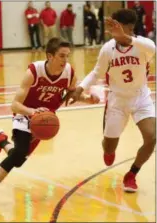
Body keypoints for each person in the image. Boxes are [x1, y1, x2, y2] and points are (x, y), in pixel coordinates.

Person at [0, 37, 99, 211]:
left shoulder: (69, 73)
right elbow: (14, 105)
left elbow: (71, 95)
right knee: (18, 154)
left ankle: (1, 141)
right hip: (25, 114)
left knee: (19, 159)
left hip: (44, 120)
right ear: (50, 55)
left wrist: (87, 99)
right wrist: (33, 112)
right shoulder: (34, 71)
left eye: (67, 56)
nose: (65, 60)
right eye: (62, 56)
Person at [66, 9, 156, 192]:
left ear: (129, 28)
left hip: (141, 97)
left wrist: (126, 37)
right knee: (109, 148)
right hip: (117, 100)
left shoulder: (144, 45)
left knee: (152, 137)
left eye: (117, 26)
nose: (112, 30)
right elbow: (97, 72)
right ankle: (108, 146)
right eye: (112, 26)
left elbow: (153, 49)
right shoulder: (108, 48)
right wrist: (80, 89)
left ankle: (131, 174)